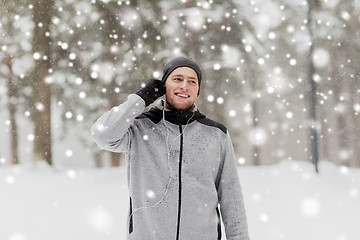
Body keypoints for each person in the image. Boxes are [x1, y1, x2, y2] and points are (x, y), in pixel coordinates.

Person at [91, 56, 250, 240]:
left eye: (192, 81)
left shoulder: (216, 134)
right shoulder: (139, 128)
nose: (184, 86)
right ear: (163, 86)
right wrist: (141, 98)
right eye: (177, 79)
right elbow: (102, 135)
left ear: (197, 90)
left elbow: (232, 202)